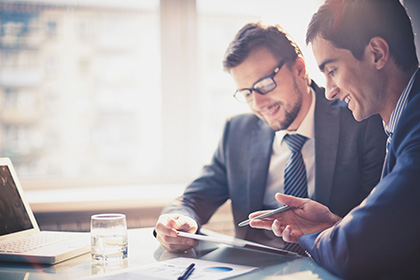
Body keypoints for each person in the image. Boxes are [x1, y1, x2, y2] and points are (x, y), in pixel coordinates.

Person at [154, 22, 386, 255]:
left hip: (328, 265)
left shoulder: (359, 120)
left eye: (265, 84)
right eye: (246, 93)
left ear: (299, 68)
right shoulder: (237, 132)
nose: (258, 103)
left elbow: (376, 223)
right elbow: (195, 197)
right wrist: (177, 220)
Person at [249, 0, 420, 278]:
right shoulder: (402, 123)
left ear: (377, 53)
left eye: (332, 71)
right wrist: (333, 225)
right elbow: (394, 236)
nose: (329, 92)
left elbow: (352, 250)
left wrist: (314, 237)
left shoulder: (416, 127)